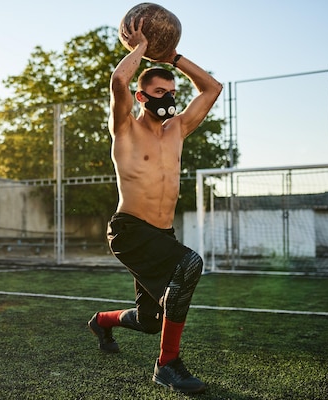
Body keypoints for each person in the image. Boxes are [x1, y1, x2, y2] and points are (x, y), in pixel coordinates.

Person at [87, 18, 222, 394]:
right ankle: (167, 365)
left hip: (162, 232)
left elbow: (212, 88)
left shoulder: (178, 128)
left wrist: (173, 56)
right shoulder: (125, 129)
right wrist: (141, 48)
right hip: (129, 230)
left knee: (149, 321)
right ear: (143, 97)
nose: (170, 98)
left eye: (173, 92)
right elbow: (118, 83)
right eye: (161, 91)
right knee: (190, 263)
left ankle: (102, 321)